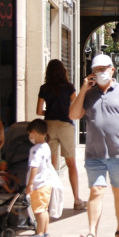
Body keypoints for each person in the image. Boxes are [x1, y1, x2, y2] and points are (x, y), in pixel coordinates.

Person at [69, 54, 119, 237]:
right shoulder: (88, 94)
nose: (100, 72)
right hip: (94, 153)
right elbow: (74, 115)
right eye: (96, 70)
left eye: (103, 69)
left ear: (112, 70)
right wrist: (83, 89)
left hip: (118, 152)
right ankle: (92, 233)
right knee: (96, 190)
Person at [36, 59, 85, 210]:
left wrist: (50, 111)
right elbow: (76, 106)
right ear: (63, 71)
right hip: (66, 126)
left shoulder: (44, 88)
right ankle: (76, 200)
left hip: (49, 126)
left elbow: (38, 111)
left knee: (51, 165)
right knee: (71, 163)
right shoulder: (69, 87)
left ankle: (49, 201)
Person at [24, 119, 53, 237]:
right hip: (47, 183)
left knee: (38, 211)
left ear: (34, 133)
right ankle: (45, 233)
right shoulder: (46, 146)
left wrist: (30, 184)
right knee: (44, 209)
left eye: (30, 133)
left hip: (38, 184)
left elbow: (34, 168)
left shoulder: (35, 149)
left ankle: (39, 234)